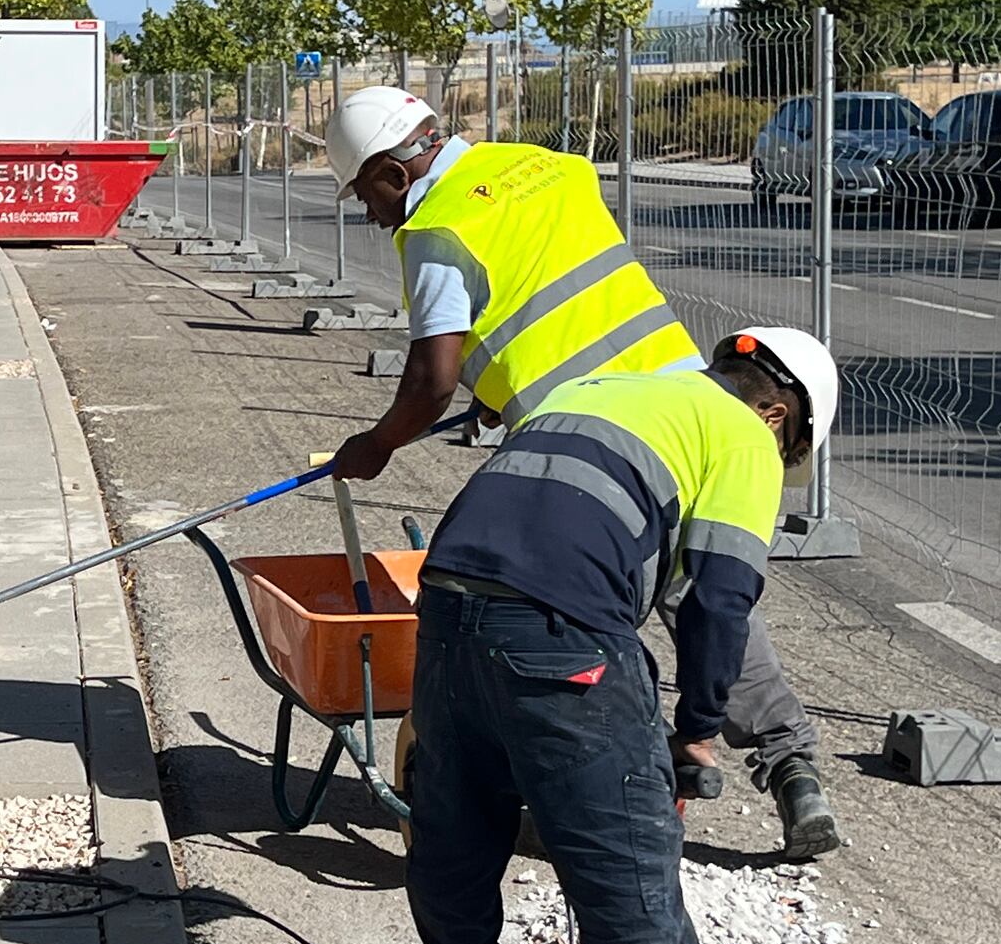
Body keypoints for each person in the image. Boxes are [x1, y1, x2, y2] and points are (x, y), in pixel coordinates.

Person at [323, 87, 842, 857]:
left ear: (394, 176)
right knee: (706, 591)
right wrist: (501, 388)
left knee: (587, 605)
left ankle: (590, 792)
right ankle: (791, 765)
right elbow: (552, 293)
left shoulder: (437, 229)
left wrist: (374, 447)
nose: (368, 215)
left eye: (364, 192)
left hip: (592, 435)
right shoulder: (536, 166)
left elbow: (430, 382)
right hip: (688, 394)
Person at [401, 326, 839, 944]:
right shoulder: (742, 433)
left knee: (455, 828)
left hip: (445, 613)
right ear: (778, 414)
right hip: (563, 628)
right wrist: (695, 729)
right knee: (624, 843)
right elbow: (718, 601)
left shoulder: (600, 391)